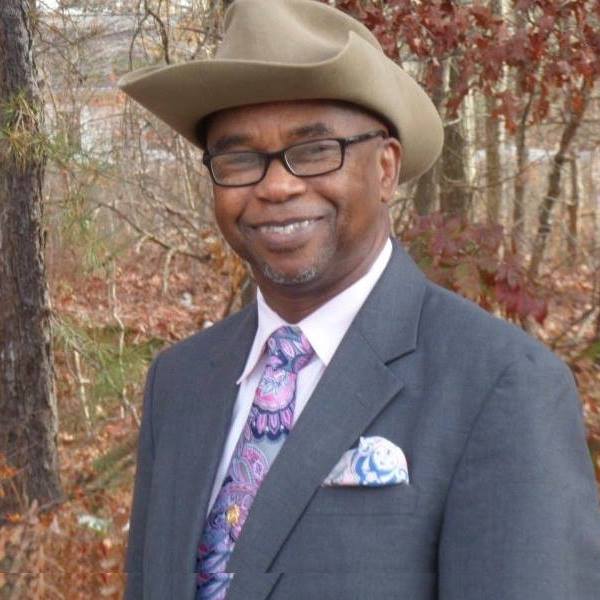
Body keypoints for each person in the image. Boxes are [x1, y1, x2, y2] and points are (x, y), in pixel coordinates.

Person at [118, 1, 600, 598]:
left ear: (386, 169)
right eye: (239, 159)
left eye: (316, 150)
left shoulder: (500, 385)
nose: (276, 185)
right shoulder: (180, 381)